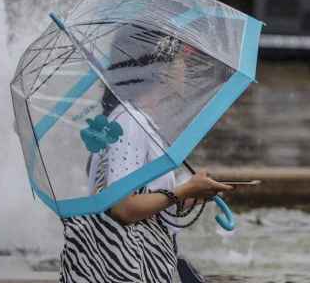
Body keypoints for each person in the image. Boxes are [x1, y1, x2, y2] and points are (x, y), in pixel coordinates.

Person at [59, 23, 233, 283]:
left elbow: (138, 199)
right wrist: (183, 191)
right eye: (181, 58)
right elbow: (122, 207)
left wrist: (190, 195)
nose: (185, 66)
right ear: (158, 67)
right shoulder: (129, 123)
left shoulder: (134, 120)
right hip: (128, 268)